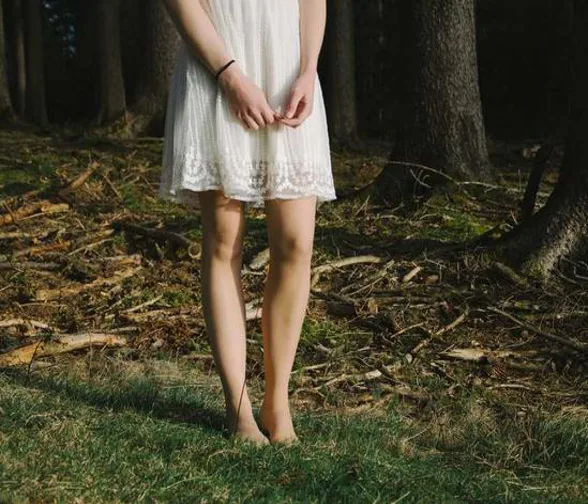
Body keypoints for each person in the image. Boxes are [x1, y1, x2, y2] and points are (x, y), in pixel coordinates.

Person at [159, 0, 337, 446]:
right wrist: (230, 76)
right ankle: (237, 409)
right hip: (218, 68)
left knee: (296, 244)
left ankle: (277, 404)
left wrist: (308, 70)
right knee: (224, 242)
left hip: (287, 71)